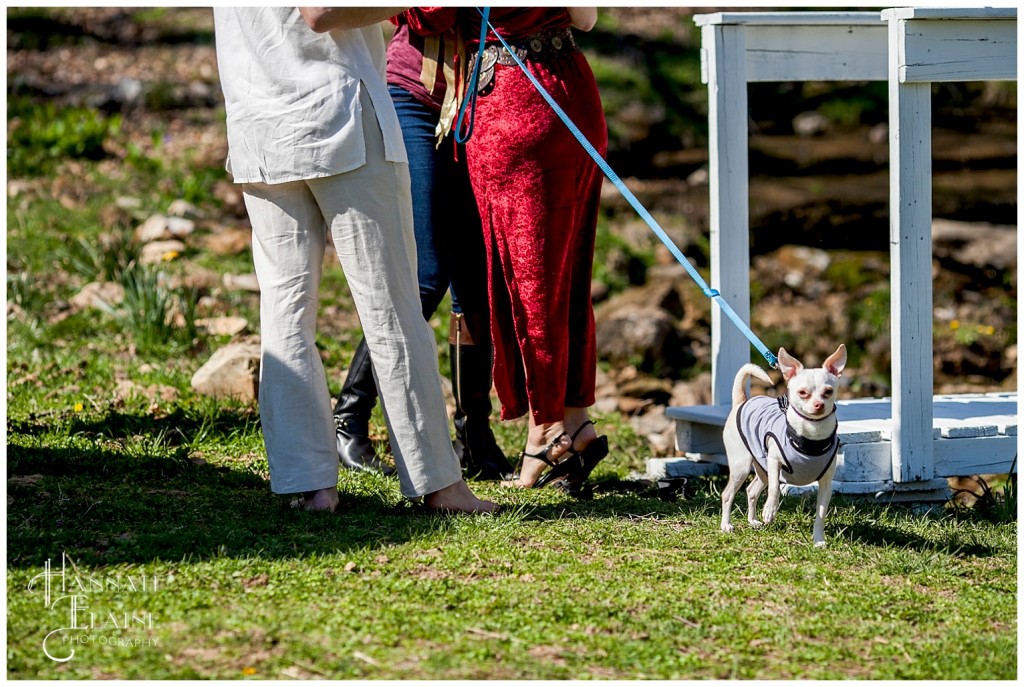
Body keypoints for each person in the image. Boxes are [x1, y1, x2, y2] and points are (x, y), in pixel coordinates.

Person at [212, 6, 498, 514]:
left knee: (285, 312)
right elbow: (321, 12)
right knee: (392, 306)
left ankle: (309, 484)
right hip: (337, 117)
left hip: (259, 120)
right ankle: (438, 484)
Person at [402, 8, 609, 491]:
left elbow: (429, 16)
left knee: (530, 282)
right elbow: (586, 17)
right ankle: (576, 420)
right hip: (573, 87)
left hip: (515, 97)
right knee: (567, 273)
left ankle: (547, 431)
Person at [332, 16, 513, 481]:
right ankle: (349, 417)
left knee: (475, 283)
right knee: (427, 273)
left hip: (484, 99)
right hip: (414, 95)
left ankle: (474, 433)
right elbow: (425, 12)